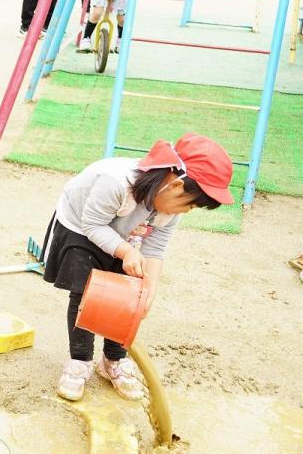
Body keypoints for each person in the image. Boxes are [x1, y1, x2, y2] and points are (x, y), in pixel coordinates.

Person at [41, 134, 234, 402]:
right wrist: (126, 251)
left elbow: (155, 247)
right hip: (82, 227)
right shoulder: (116, 182)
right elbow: (93, 224)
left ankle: (113, 361)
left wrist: (149, 289)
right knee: (86, 293)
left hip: (125, 233)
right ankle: (80, 361)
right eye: (189, 204)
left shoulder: (170, 208)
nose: (187, 211)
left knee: (130, 294)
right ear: (176, 185)